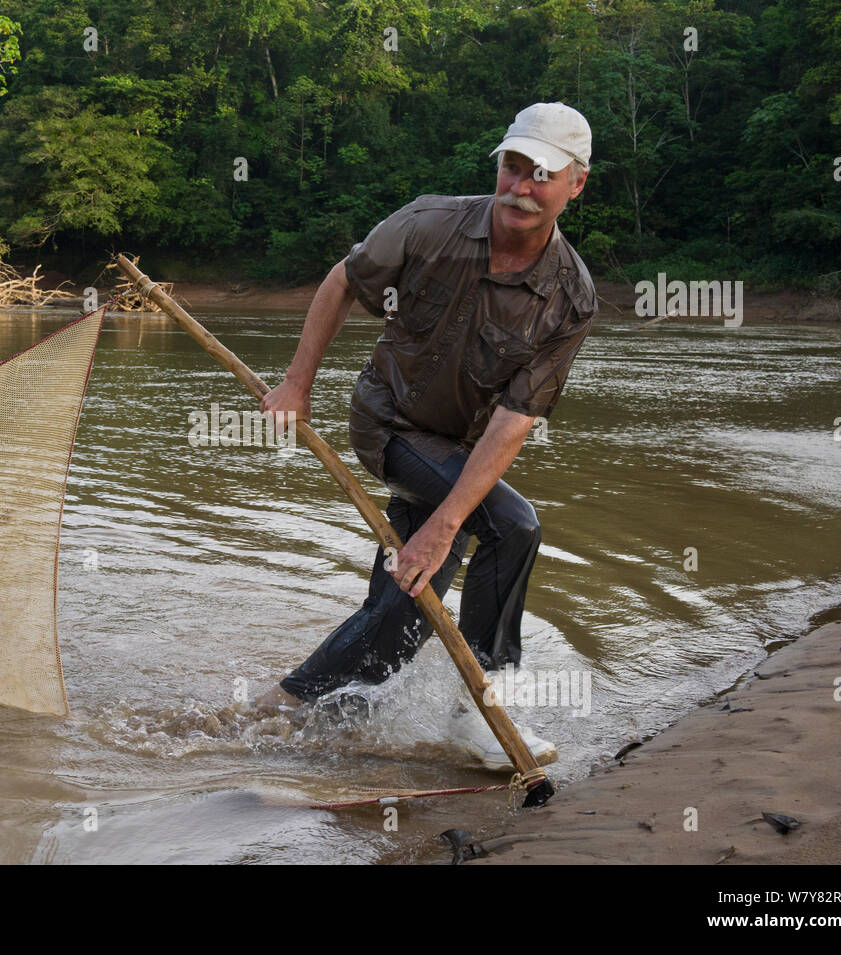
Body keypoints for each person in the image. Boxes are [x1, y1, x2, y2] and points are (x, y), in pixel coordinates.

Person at [254, 103, 598, 768]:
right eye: (513, 167)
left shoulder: (571, 296)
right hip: (387, 422)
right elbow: (343, 282)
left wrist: (443, 522)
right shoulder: (429, 222)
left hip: (459, 447)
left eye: (542, 175)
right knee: (513, 526)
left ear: (575, 185)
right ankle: (479, 709)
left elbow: (516, 417)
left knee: (410, 599)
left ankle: (295, 708)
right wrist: (297, 385)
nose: (521, 187)